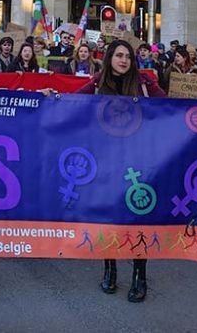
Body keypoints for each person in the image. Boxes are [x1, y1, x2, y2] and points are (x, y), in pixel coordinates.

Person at [76, 39, 165, 302]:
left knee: (139, 219)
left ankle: (140, 275)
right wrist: (47, 97)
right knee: (108, 218)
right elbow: (70, 102)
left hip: (138, 161)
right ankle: (110, 268)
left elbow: (174, 106)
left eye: (128, 56)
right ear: (110, 58)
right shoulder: (97, 83)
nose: (124, 60)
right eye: (119, 55)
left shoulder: (145, 83)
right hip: (106, 161)